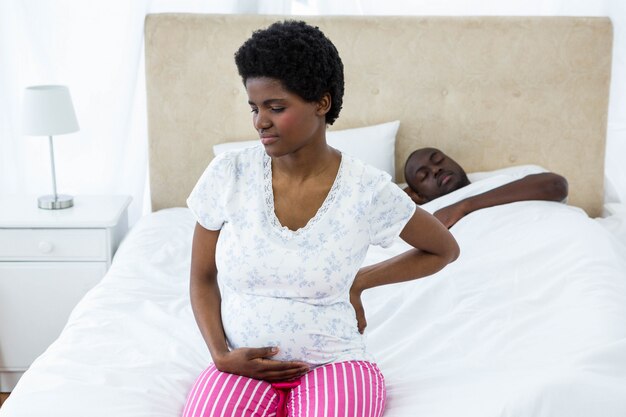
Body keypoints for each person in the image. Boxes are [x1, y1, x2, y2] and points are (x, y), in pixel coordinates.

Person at [182, 21, 459, 417]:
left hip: (335, 362)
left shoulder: (367, 189)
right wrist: (220, 355)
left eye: (276, 107)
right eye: (254, 107)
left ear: (322, 103)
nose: (261, 121)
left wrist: (360, 281)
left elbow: (443, 249)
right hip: (241, 366)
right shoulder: (229, 174)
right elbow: (202, 277)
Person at [403, 147, 569, 228]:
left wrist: (464, 206)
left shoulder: (513, 178)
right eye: (423, 176)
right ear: (418, 196)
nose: (435, 169)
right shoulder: (428, 216)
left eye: (438, 159)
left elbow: (555, 185)